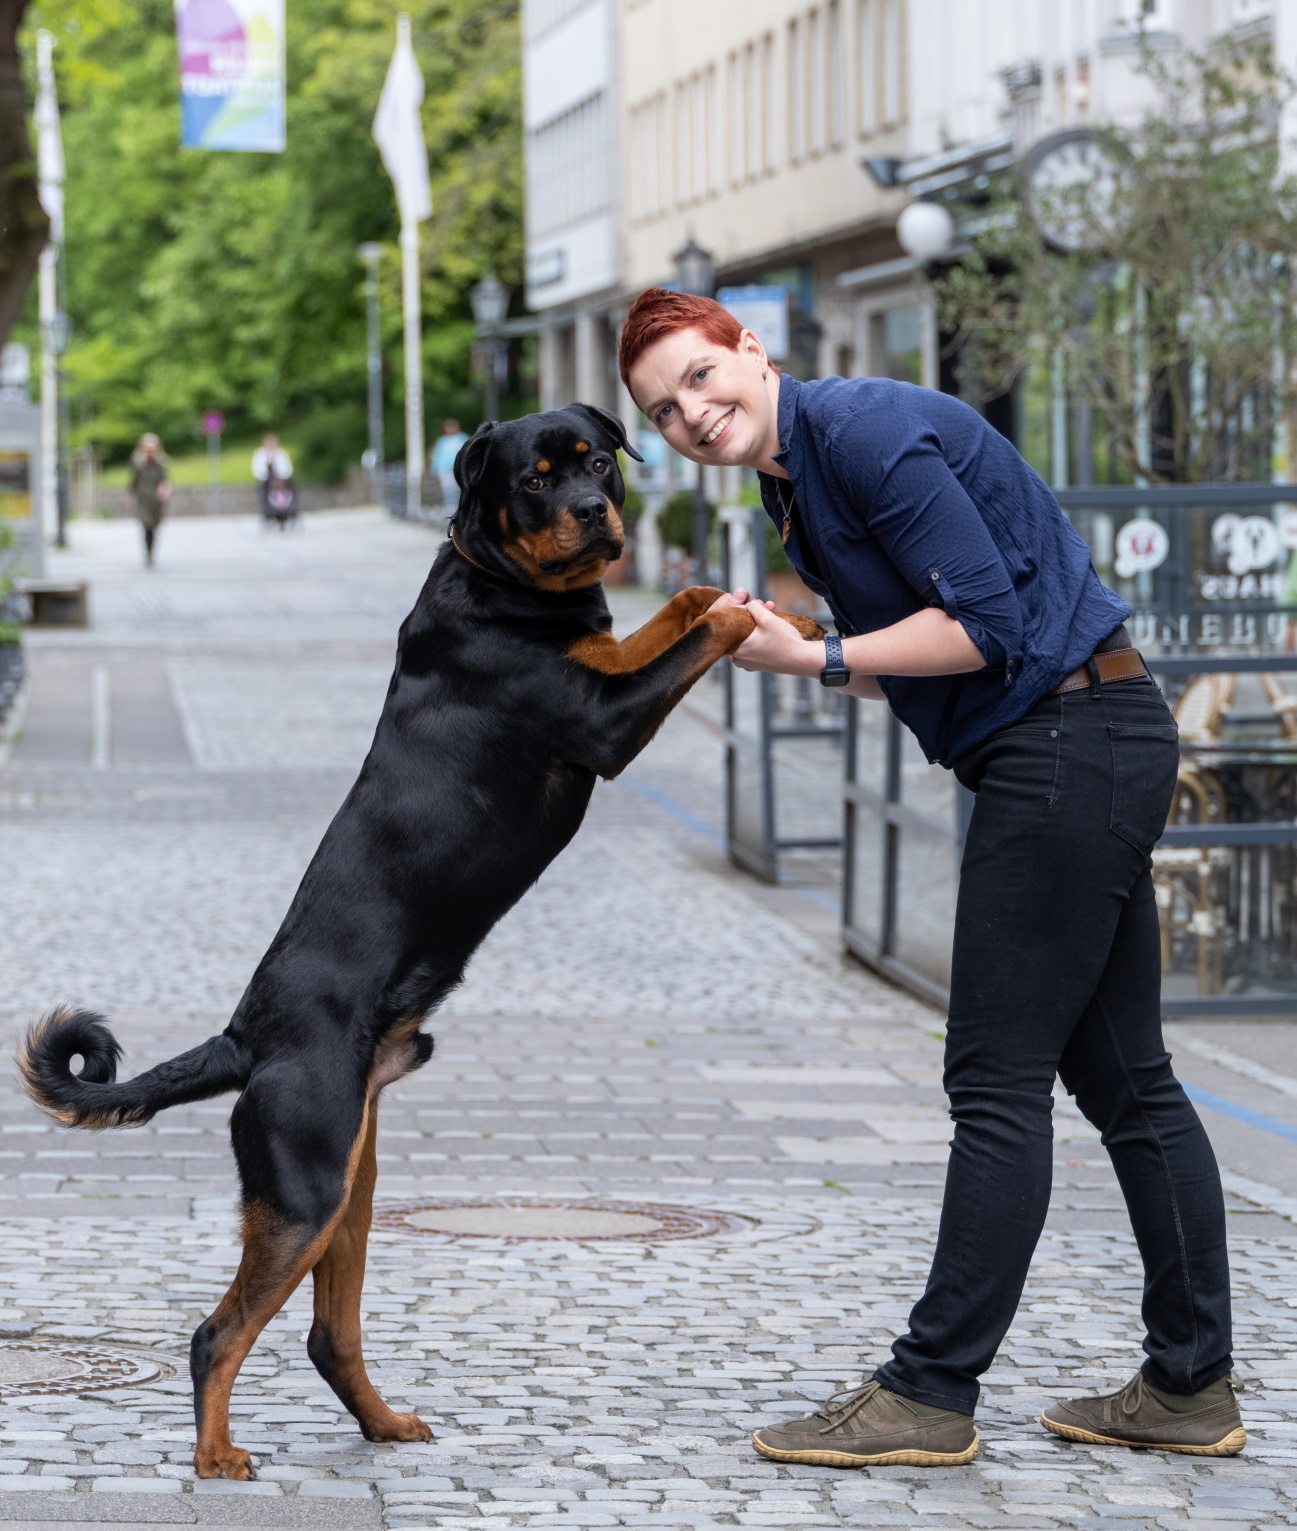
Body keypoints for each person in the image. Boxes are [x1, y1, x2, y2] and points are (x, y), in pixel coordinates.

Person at [620, 288, 1241, 1468]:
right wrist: (797, 647)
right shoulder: (793, 481)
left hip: (1067, 742)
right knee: (1126, 1081)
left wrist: (812, 650)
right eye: (663, 410)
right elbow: (914, 661)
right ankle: (1187, 1386)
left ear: (751, 352)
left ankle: (930, 1390)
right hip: (1080, 737)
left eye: (701, 379)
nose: (690, 415)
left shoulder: (857, 432)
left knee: (994, 1076)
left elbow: (987, 627)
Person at [129, 433, 171, 567]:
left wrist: (164, 489)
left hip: (156, 500)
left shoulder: (161, 462)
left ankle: (151, 552)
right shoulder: (137, 461)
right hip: (143, 499)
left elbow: (165, 479)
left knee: (154, 527)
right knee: (146, 526)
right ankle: (148, 554)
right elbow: (133, 481)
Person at [251, 434, 295, 525]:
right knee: (264, 491)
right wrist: (266, 477)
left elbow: (287, 468)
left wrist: (282, 477)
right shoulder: (260, 454)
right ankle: (268, 513)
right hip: (267, 480)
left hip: (282, 480)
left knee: (291, 488)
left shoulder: (281, 453)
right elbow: (257, 469)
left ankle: (288, 511)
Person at [430, 418, 468, 511]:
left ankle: (461, 508)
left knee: (460, 489)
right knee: (448, 490)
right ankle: (450, 508)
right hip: (445, 470)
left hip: (459, 468)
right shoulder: (442, 441)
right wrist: (436, 470)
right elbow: (437, 456)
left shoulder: (462, 438)